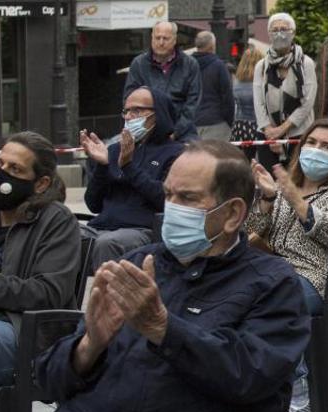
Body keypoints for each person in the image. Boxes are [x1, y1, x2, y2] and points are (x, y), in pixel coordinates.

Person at [0, 140, 310, 412]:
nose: (172, 208)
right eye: (167, 195)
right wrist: (89, 345)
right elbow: (49, 381)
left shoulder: (271, 283)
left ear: (232, 214)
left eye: (188, 198)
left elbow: (250, 375)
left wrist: (164, 329)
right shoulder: (138, 266)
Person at [248, 119, 328, 412]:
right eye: (312, 143)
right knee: (241, 302)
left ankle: (299, 393)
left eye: (327, 147)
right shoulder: (288, 185)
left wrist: (297, 202)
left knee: (276, 303)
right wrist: (268, 199)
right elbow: (252, 236)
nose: (316, 150)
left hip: (321, 278)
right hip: (276, 274)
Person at [0, 132, 81, 386]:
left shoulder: (57, 220)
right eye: (1, 165)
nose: (3, 174)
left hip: (27, 333)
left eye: (15, 169)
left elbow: (48, 292)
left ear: (41, 183)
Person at [79, 87, 185, 270]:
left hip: (140, 230)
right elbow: (93, 204)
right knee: (58, 232)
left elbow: (165, 200)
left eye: (136, 110)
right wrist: (103, 167)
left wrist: (128, 167)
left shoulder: (176, 153)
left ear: (157, 113)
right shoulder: (113, 150)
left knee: (107, 243)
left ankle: (104, 298)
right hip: (102, 227)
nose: (128, 117)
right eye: (126, 111)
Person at [254, 13, 318, 172]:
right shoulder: (262, 66)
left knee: (299, 182)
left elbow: (307, 103)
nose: (279, 33)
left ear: (293, 33)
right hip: (267, 134)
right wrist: (269, 130)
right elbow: (258, 101)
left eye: (284, 29)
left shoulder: (306, 63)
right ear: (269, 34)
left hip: (299, 132)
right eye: (274, 30)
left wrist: (282, 130)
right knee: (271, 185)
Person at [123, 21, 202, 142]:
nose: (161, 42)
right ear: (151, 38)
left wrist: (175, 132)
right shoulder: (138, 64)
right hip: (146, 131)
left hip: (183, 133)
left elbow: (193, 104)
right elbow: (129, 101)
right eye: (157, 38)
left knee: (194, 156)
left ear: (175, 40)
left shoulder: (190, 64)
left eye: (165, 38)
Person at [192, 31, 235, 141]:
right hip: (216, 122)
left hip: (193, 123)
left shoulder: (188, 66)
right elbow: (227, 97)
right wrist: (229, 122)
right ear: (212, 46)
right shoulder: (219, 66)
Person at [232, 46, 264, 158]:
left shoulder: (236, 82)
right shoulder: (261, 82)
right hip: (258, 124)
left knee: (244, 159)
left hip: (240, 124)